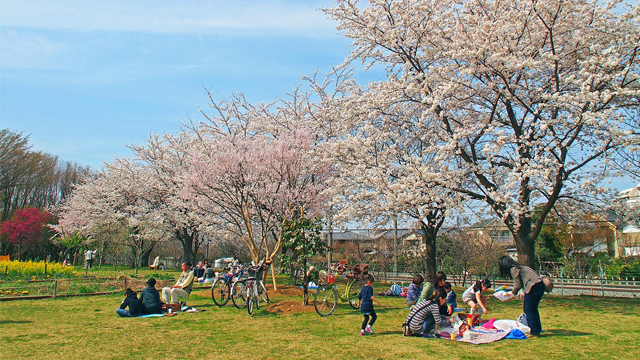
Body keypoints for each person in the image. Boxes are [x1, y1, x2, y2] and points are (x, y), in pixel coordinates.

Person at [498, 256, 545, 336]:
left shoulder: (514, 269)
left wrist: (511, 293)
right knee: (533, 309)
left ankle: (534, 332)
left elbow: (518, 285)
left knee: (528, 309)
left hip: (533, 287)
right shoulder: (522, 267)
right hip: (540, 286)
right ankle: (537, 329)